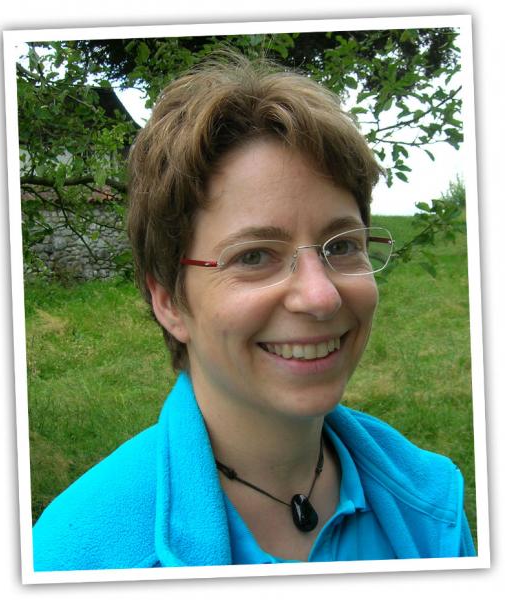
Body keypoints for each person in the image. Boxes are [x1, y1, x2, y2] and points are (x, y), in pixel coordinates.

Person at [32, 51, 475, 570]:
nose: (321, 297)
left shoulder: (431, 501)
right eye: (255, 256)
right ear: (169, 301)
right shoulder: (76, 558)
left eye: (341, 246)